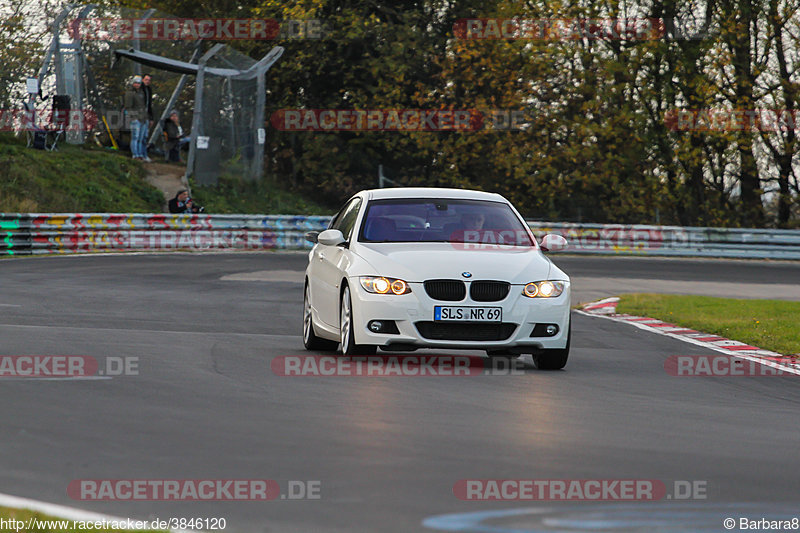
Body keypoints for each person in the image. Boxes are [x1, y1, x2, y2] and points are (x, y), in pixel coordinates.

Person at [123, 76, 150, 161]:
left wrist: (146, 117)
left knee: (141, 138)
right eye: (136, 82)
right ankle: (135, 155)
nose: (137, 84)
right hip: (135, 119)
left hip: (143, 118)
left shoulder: (141, 92)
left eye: (139, 83)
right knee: (135, 137)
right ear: (132, 83)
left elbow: (143, 106)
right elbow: (128, 107)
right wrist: (134, 117)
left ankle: (140, 154)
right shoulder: (130, 93)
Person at [141, 73, 154, 159]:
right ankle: (138, 154)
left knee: (145, 136)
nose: (147, 82)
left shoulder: (149, 90)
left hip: (146, 116)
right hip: (139, 116)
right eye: (146, 80)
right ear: (142, 80)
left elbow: (149, 105)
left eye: (149, 80)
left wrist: (151, 118)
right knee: (138, 136)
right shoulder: (139, 90)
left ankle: (144, 154)